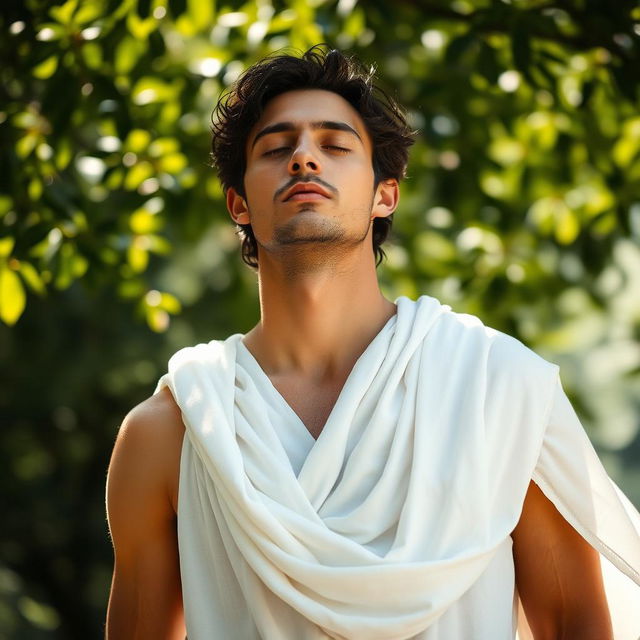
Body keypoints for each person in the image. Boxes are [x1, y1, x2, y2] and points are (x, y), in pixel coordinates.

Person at [105, 46, 640, 640]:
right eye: (276, 148)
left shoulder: (498, 386)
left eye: (334, 145)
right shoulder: (171, 431)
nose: (304, 158)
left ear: (386, 194)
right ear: (239, 205)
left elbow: (574, 626)